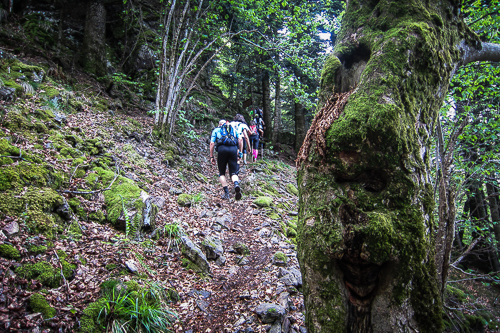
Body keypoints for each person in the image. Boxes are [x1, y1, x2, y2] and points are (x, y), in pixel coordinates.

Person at [210, 119, 243, 200]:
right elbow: (240, 139)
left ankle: (226, 193)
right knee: (233, 172)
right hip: (233, 149)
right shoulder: (233, 130)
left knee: (222, 173)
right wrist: (240, 152)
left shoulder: (217, 130)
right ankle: (236, 184)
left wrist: (211, 157)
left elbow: (212, 143)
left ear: (219, 124)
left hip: (222, 150)